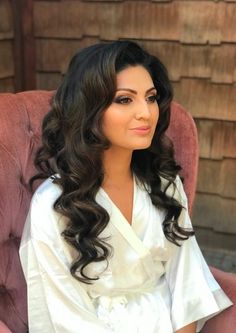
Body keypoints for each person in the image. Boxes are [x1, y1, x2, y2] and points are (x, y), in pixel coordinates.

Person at [19, 40, 232, 333]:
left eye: (151, 97)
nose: (146, 112)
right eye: (124, 99)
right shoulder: (55, 205)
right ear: (90, 108)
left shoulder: (164, 185)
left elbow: (187, 283)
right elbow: (63, 315)